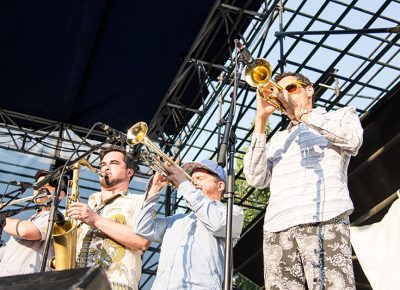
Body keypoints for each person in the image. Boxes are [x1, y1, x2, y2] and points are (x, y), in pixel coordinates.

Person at [243, 72, 363, 290]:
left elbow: (353, 140)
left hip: (325, 217)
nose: (285, 96)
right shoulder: (278, 139)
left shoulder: (341, 115)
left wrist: (302, 114)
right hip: (277, 227)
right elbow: (255, 177)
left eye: (290, 89)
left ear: (310, 90)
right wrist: (260, 120)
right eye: (279, 93)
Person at [135, 159, 244, 289]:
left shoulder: (232, 213)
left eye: (200, 178)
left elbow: (217, 225)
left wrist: (184, 184)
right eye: (191, 178)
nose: (193, 182)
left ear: (220, 186)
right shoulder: (177, 219)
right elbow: (142, 228)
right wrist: (155, 188)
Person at [67, 146, 150, 290]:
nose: (106, 167)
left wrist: (96, 220)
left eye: (114, 163)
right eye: (103, 164)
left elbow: (142, 240)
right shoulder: (89, 204)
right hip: (77, 284)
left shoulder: (139, 201)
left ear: (129, 172)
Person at [0, 170, 67, 276]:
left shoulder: (58, 216)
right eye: (37, 185)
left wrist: (1, 217)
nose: (39, 189)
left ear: (60, 194)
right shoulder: (31, 219)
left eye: (46, 186)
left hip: (26, 282)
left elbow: (26, 232)